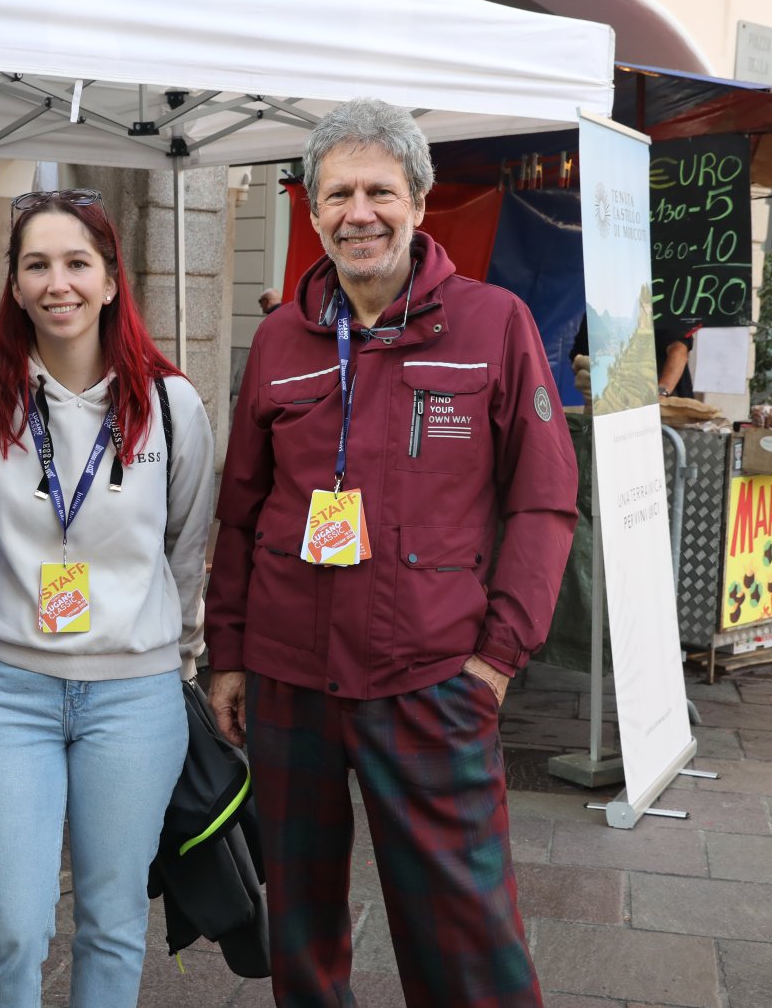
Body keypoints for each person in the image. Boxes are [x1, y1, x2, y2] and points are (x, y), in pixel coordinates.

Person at [205, 97, 578, 1008]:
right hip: (290, 678)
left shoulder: (494, 324)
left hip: (431, 677)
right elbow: (241, 509)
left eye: (379, 191)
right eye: (338, 194)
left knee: (467, 937)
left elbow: (542, 502)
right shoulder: (281, 340)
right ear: (312, 209)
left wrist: (497, 659)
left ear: (418, 199)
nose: (358, 213)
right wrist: (230, 655)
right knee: (300, 932)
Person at [0, 189, 215, 1007]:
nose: (59, 283)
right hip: (6, 690)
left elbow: (187, 547)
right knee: (10, 921)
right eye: (38, 265)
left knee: (114, 920)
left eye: (78, 263)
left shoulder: (171, 405)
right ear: (15, 286)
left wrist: (180, 662)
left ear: (112, 281)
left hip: (135, 695)